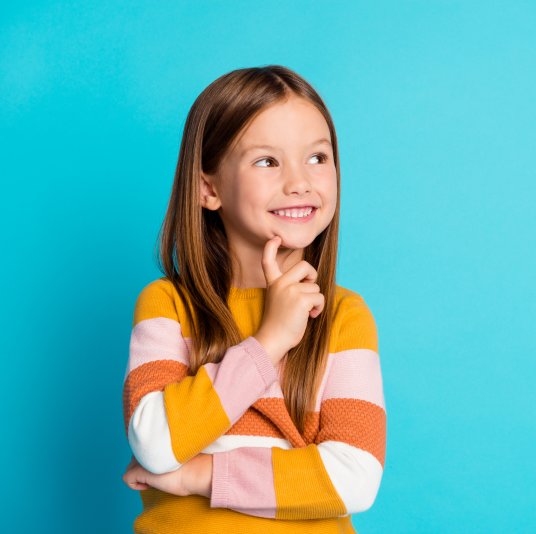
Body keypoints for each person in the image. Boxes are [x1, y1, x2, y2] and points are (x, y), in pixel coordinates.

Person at [121, 65, 386, 533]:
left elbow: (354, 479)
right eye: (267, 161)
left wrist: (199, 475)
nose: (300, 182)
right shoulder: (167, 305)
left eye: (318, 158)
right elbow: (156, 442)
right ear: (209, 188)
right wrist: (268, 343)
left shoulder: (345, 316)